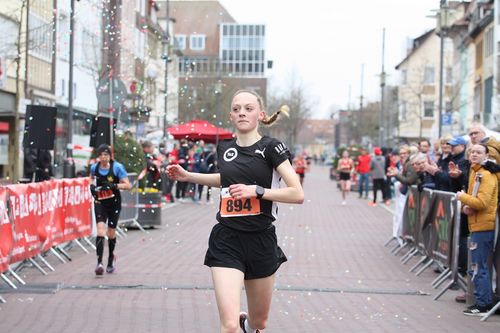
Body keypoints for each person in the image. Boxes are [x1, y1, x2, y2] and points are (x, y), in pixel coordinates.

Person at [166, 90, 304, 333]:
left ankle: (247, 326)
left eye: (248, 108)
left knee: (259, 323)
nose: (242, 112)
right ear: (231, 115)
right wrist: (189, 176)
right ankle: (235, 325)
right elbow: (227, 179)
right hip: (227, 239)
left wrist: (258, 191)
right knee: (228, 326)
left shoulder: (272, 148)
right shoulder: (225, 148)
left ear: (260, 115)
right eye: (237, 108)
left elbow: (297, 193)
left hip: (261, 239)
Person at [456, 143, 498, 316]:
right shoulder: (475, 172)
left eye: (478, 152)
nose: (474, 154)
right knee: (476, 266)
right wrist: (464, 205)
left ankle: (483, 304)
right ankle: (483, 302)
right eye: (472, 152)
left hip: (484, 225)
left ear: (486, 155)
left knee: (479, 266)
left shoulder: (487, 175)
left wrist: (461, 197)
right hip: (476, 223)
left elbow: (482, 203)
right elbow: (472, 201)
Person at [89, 144, 131, 275]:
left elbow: (128, 185)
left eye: (106, 155)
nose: (103, 157)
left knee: (111, 233)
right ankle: (99, 263)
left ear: (110, 156)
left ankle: (110, 258)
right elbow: (91, 180)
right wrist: (91, 188)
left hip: (114, 203)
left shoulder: (117, 167)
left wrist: (114, 185)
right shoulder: (94, 168)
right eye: (101, 155)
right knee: (101, 231)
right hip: (100, 202)